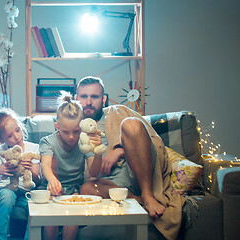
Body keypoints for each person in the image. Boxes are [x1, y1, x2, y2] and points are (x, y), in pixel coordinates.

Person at [75, 76, 185, 240]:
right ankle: (138, 200)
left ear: (104, 99)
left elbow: (151, 140)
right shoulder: (73, 127)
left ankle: (147, 196)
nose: (89, 102)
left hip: (137, 170)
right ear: (76, 99)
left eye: (94, 97)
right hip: (109, 184)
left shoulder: (118, 111)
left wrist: (120, 150)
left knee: (131, 124)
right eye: (84, 96)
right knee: (86, 189)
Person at [39, 91, 103, 240]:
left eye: (76, 131)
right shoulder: (48, 141)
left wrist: (98, 151)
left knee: (73, 216)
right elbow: (45, 164)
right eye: (65, 132)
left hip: (74, 190)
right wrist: (52, 180)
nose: (71, 137)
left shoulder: (84, 142)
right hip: (51, 188)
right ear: (57, 127)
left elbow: (94, 172)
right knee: (51, 218)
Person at [0, 108, 41, 240]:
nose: (17, 137)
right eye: (9, 136)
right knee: (7, 197)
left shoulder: (34, 148)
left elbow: (38, 181)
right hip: (4, 190)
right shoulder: (0, 152)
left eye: (17, 130)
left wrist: (32, 169)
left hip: (26, 191)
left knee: (34, 205)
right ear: (0, 139)